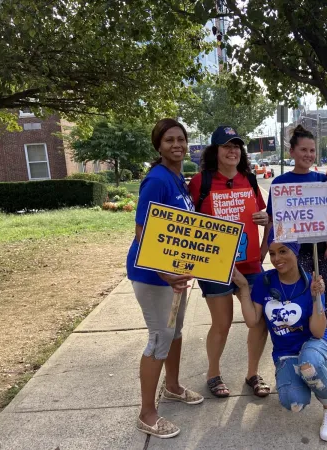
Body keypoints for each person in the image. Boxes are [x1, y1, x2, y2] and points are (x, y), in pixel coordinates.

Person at [126, 118, 203, 439]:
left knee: (175, 332)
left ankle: (171, 387)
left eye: (181, 139)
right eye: (169, 140)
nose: (177, 145)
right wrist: (166, 273)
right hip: (154, 277)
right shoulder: (157, 180)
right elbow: (142, 233)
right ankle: (147, 413)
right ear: (159, 145)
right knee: (159, 338)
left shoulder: (177, 178)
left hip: (175, 275)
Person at [231, 229, 327, 442]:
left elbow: (318, 332)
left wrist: (317, 297)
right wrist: (244, 287)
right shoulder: (265, 281)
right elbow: (253, 321)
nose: (276, 259)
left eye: (283, 251)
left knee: (309, 363)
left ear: (295, 251)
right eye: (272, 253)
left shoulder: (312, 281)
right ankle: (309, 376)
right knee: (294, 402)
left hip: (315, 343)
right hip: (285, 352)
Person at [188, 126, 271, 399]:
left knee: (259, 322)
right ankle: (213, 374)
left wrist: (263, 246)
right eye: (226, 146)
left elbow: (266, 216)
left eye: (236, 145)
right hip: (215, 265)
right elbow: (188, 225)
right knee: (222, 323)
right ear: (215, 151)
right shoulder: (201, 182)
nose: (233, 150)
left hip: (250, 264)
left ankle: (252, 374)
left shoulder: (249, 178)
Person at [262, 125, 327, 374]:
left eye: (312, 150)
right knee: (301, 299)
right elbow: (273, 220)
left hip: (322, 252)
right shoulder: (280, 183)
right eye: (303, 150)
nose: (308, 154)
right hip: (294, 252)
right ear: (292, 152)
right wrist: (265, 250)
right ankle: (301, 349)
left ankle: (324, 349)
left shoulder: (322, 181)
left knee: (323, 300)